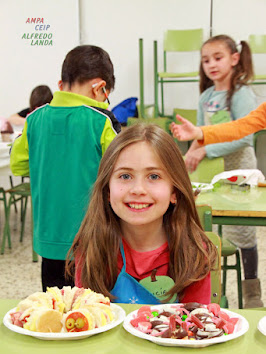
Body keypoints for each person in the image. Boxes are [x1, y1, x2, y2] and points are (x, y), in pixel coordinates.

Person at [66, 123, 217, 305]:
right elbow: (89, 319)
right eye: (125, 176)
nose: (138, 189)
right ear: (107, 190)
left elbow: (197, 323)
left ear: (174, 192)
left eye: (153, 176)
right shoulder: (92, 247)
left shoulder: (193, 252)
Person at [10, 45, 121, 291]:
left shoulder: (34, 119)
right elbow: (123, 171)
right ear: (100, 87)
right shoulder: (101, 121)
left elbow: (18, 165)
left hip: (48, 238)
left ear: (61, 85)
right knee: (95, 310)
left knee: (55, 308)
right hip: (92, 238)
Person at [177, 35, 262, 308]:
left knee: (244, 233)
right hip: (215, 172)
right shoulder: (205, 96)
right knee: (209, 225)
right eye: (205, 60)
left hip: (241, 170)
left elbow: (244, 137)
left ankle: (252, 292)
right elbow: (201, 135)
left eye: (218, 58)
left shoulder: (241, 94)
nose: (211, 64)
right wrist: (191, 152)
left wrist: (205, 151)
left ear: (234, 59)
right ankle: (208, 288)